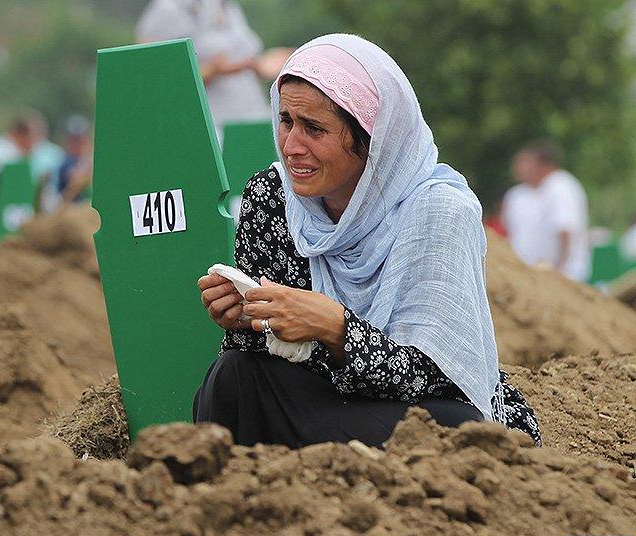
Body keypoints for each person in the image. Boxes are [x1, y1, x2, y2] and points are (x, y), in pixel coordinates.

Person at [195, 34, 540, 449]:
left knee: (458, 432)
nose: (291, 146)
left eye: (314, 129)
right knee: (233, 374)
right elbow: (271, 357)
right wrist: (244, 318)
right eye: (286, 121)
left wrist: (337, 328)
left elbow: (443, 382)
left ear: (371, 137)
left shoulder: (436, 211)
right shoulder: (273, 197)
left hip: (413, 412)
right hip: (318, 403)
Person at [136, 0, 271, 141]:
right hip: (211, 127)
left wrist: (262, 66)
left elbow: (244, 57)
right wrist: (212, 70)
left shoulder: (229, 6)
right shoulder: (170, 7)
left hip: (252, 118)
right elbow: (152, 74)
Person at [502, 141, 591, 282]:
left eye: (525, 163)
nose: (518, 168)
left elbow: (566, 230)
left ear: (542, 165)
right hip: (527, 276)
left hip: (563, 276)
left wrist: (558, 270)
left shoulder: (561, 187)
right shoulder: (516, 195)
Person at [56, 114, 93, 206]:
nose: (78, 145)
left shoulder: (91, 160)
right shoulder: (65, 164)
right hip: (71, 208)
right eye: (75, 141)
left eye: (81, 140)